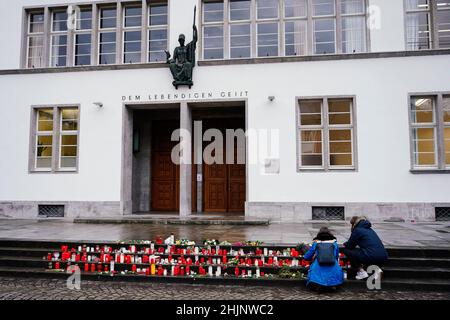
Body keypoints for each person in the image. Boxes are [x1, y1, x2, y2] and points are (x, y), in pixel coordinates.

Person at [343, 216, 388, 280]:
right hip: (383, 256)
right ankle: (377, 270)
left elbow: (350, 246)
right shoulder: (370, 229)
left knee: (347, 251)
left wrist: (345, 244)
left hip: (372, 256)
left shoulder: (358, 230)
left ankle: (361, 272)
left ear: (354, 224)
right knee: (367, 253)